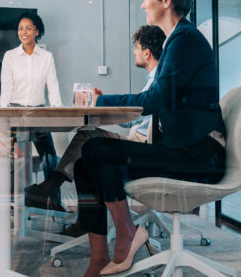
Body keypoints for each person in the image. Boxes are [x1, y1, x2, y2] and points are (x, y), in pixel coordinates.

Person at [67, 0, 225, 277]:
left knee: (95, 150)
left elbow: (155, 99)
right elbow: (162, 101)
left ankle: (126, 235)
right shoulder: (177, 42)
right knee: (86, 160)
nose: (143, 5)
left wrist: (102, 100)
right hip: (184, 150)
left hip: (198, 158)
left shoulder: (184, 40)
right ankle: (100, 256)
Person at [25, 24, 165, 221]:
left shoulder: (157, 81)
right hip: (137, 138)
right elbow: (133, 121)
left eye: (137, 48)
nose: (134, 52)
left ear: (147, 53)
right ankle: (62, 197)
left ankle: (52, 187)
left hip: (143, 146)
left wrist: (102, 103)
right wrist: (104, 101)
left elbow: (140, 112)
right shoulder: (154, 79)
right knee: (88, 138)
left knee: (88, 138)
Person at [0, 12, 63, 208]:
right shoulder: (10, 56)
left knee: (50, 158)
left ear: (36, 31)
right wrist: (4, 118)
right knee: (11, 157)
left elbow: (53, 87)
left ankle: (54, 201)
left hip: (38, 113)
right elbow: (6, 89)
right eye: (20, 28)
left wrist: (58, 112)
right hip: (15, 113)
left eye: (28, 28)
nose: (23, 32)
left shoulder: (46, 57)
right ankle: (13, 201)